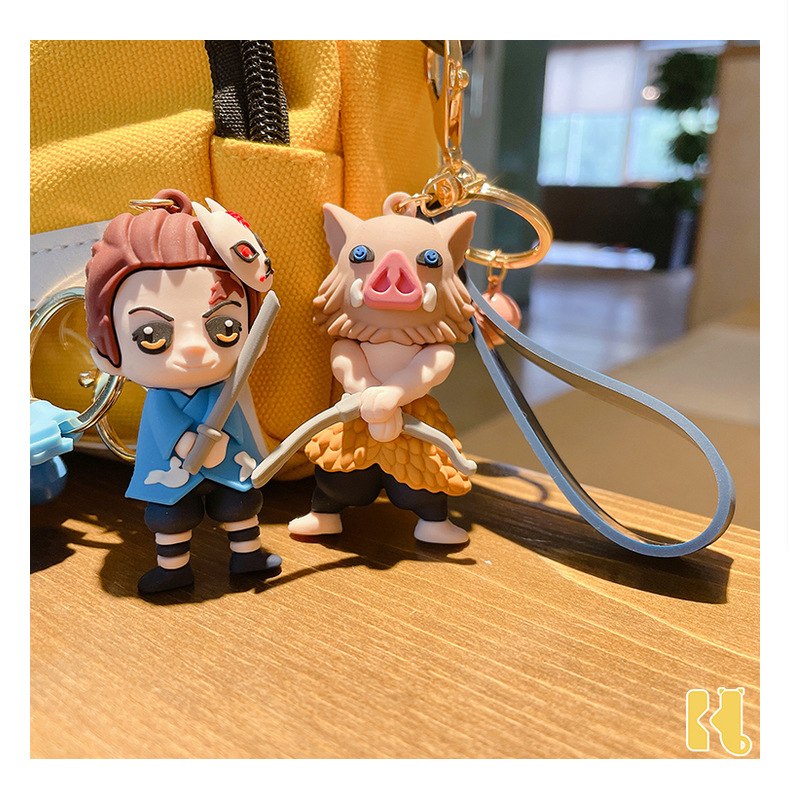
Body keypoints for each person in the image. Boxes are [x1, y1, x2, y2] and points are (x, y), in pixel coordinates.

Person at [85, 188, 280, 594]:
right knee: (170, 515)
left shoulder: (228, 389)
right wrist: (184, 442)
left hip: (227, 462)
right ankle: (173, 568)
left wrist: (223, 443)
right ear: (108, 348)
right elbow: (162, 426)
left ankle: (248, 555)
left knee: (240, 503)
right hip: (172, 469)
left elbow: (237, 425)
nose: (192, 348)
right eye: (152, 335)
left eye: (224, 328)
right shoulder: (162, 397)